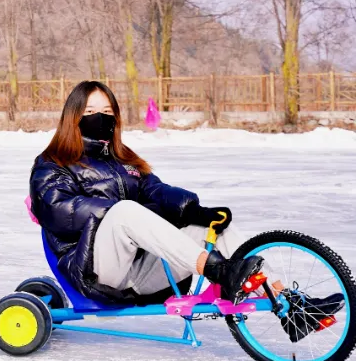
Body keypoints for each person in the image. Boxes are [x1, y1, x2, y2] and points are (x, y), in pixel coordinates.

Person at [29, 80, 342, 341]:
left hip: (139, 272)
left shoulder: (125, 162)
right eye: (92, 112)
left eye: (108, 112)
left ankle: (292, 307)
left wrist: (196, 211)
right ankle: (220, 271)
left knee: (214, 230)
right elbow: (56, 208)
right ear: (73, 117)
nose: (101, 118)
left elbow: (159, 193)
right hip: (93, 269)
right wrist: (121, 211)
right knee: (124, 211)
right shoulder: (53, 162)